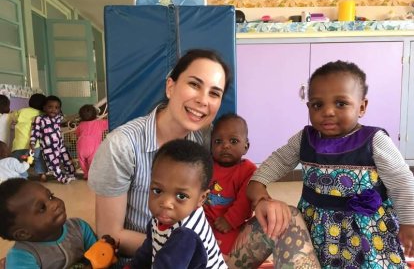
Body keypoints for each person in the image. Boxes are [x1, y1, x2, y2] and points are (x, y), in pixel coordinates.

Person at [88, 49, 319, 268]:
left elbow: (243, 172)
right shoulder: (122, 146)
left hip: (209, 252)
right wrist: (186, 248)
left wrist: (261, 201)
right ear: (171, 86)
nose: (203, 100)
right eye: (194, 85)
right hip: (156, 258)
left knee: (285, 218)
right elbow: (111, 235)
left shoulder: (208, 138)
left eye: (214, 93)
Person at [247, 60, 414, 268]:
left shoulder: (374, 140)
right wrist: (259, 181)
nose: (327, 111)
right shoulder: (304, 139)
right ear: (309, 107)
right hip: (317, 228)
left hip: (367, 231)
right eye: (318, 105)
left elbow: (402, 182)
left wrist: (409, 222)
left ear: (362, 107)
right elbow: (279, 160)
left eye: (341, 103)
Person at [128, 139, 226, 268]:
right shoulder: (164, 218)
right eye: (157, 191)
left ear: (201, 198)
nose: (166, 203)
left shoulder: (186, 235)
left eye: (181, 196)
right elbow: (148, 250)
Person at [0, 178, 97, 268]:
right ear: (23, 234)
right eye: (42, 208)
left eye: (51, 197)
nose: (55, 204)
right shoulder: (21, 259)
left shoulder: (79, 227)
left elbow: (101, 254)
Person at [203, 113, 255, 255]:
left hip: (230, 223)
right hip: (204, 218)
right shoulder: (206, 165)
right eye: (218, 142)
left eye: (233, 141)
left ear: (246, 146)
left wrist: (229, 220)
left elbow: (244, 202)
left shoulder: (248, 170)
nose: (225, 146)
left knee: (228, 249)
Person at [30, 95, 76, 184]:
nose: (53, 110)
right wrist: (32, 143)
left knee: (67, 160)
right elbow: (35, 131)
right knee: (53, 165)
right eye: (50, 107)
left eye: (57, 108)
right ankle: (63, 179)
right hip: (48, 148)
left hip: (60, 145)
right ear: (44, 107)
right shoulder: (40, 119)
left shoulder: (58, 117)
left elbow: (68, 119)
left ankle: (71, 174)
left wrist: (78, 116)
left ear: (59, 109)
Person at [10, 93, 47, 182]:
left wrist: (13, 114)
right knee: (38, 159)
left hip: (19, 145)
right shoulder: (42, 114)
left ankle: (23, 177)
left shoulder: (21, 111)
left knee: (18, 162)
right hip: (35, 145)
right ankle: (42, 174)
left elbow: (13, 117)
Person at [76, 104, 108, 180]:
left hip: (81, 147)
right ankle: (93, 176)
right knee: (93, 162)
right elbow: (110, 122)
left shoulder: (80, 125)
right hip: (93, 147)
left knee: (82, 162)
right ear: (96, 114)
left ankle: (86, 174)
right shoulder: (100, 123)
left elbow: (77, 134)